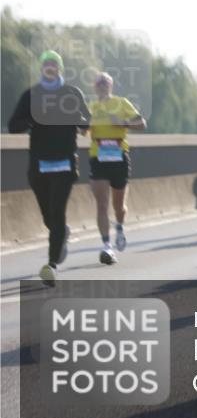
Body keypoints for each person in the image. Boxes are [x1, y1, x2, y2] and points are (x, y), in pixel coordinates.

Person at [7, 50, 91, 286]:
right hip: (39, 164)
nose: (50, 68)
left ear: (60, 69)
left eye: (54, 64)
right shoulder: (31, 95)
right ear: (42, 69)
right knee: (48, 216)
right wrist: (31, 120)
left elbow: (87, 124)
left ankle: (51, 265)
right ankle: (61, 232)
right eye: (46, 65)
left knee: (57, 211)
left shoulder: (72, 93)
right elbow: (13, 125)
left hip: (64, 163)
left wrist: (76, 119)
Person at [88, 71, 147, 265]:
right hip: (98, 157)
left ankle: (119, 227)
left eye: (105, 83)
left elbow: (141, 123)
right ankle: (107, 246)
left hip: (119, 156)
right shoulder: (91, 107)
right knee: (101, 204)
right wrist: (81, 125)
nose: (102, 86)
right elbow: (82, 128)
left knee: (118, 206)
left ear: (111, 86)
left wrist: (123, 123)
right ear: (95, 87)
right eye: (99, 83)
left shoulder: (121, 103)